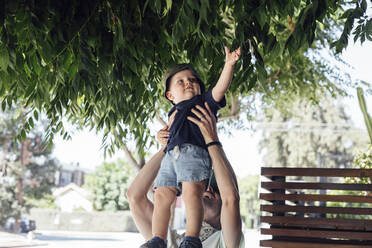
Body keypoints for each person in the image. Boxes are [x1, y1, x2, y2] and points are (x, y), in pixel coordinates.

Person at [138, 46, 241, 248]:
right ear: (170, 95)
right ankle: (158, 239)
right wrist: (162, 136)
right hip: (170, 157)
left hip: (194, 153)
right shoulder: (173, 113)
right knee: (161, 195)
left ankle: (192, 238)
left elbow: (220, 88)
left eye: (193, 80)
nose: (188, 83)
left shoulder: (202, 103)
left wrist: (228, 65)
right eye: (181, 81)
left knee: (191, 193)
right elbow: (168, 135)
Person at [127, 103, 245, 248]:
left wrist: (212, 140)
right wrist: (167, 148)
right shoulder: (169, 240)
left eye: (215, 188)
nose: (208, 190)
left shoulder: (225, 240)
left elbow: (231, 197)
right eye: (202, 185)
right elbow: (135, 197)